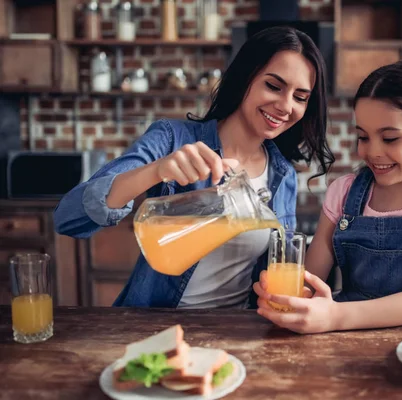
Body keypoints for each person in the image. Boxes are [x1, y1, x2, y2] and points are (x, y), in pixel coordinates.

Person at [54, 26, 334, 308]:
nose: (286, 106)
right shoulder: (172, 139)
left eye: (300, 97)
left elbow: (279, 273)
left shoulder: (282, 174)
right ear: (245, 77)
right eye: (273, 86)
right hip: (162, 328)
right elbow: (69, 219)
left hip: (240, 332)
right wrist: (158, 170)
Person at [253, 60, 402, 333]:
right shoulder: (343, 192)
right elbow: (310, 280)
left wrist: (334, 317)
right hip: (349, 336)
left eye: (390, 138)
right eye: (363, 137)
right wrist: (288, 295)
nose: (373, 152)